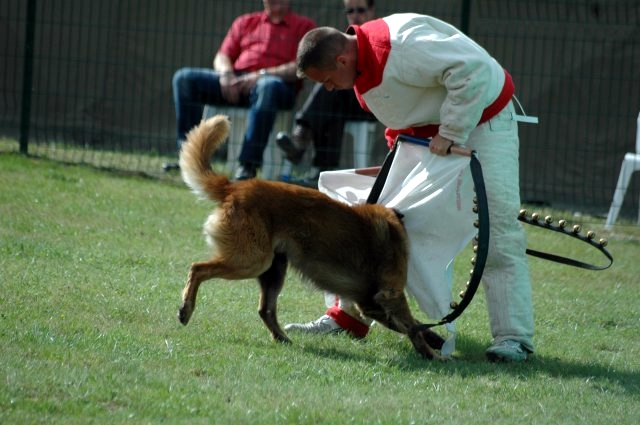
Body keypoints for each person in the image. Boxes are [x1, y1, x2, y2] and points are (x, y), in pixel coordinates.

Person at [288, 13, 535, 362]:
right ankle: (349, 317)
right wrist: (398, 160)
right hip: (432, 139)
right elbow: (403, 114)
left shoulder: (400, 45)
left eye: (327, 80)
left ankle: (513, 339)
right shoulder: (358, 68)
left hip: (486, 121)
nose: (328, 89)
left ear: (342, 59)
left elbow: (472, 69)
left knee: (498, 231)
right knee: (373, 221)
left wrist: (450, 132)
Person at [169, 0, 315, 180]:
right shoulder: (245, 22)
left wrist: (260, 75)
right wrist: (226, 75)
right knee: (184, 79)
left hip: (278, 86)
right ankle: (187, 157)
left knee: (266, 87)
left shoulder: (304, 26)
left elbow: (302, 66)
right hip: (237, 80)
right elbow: (222, 56)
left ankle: (247, 166)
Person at [275, 0, 377, 182]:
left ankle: (303, 137)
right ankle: (322, 172)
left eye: (360, 10)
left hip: (372, 101)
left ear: (372, 11)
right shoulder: (342, 40)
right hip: (343, 101)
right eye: (350, 11)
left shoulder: (376, 36)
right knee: (332, 98)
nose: (355, 15)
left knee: (330, 90)